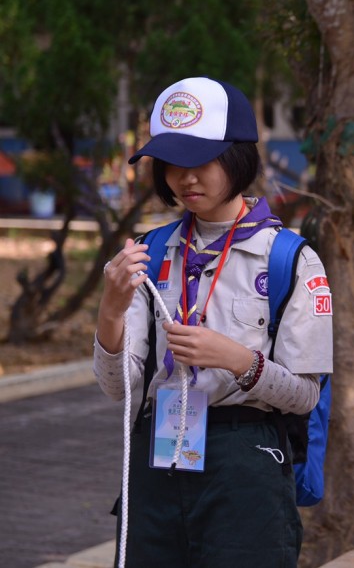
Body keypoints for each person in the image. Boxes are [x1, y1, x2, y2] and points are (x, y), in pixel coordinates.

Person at [93, 76, 334, 566]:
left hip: (247, 460)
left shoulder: (289, 259)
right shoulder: (152, 252)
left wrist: (240, 361)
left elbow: (307, 393)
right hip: (160, 454)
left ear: (238, 156)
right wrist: (110, 310)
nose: (186, 178)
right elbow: (120, 389)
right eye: (172, 164)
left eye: (201, 160)